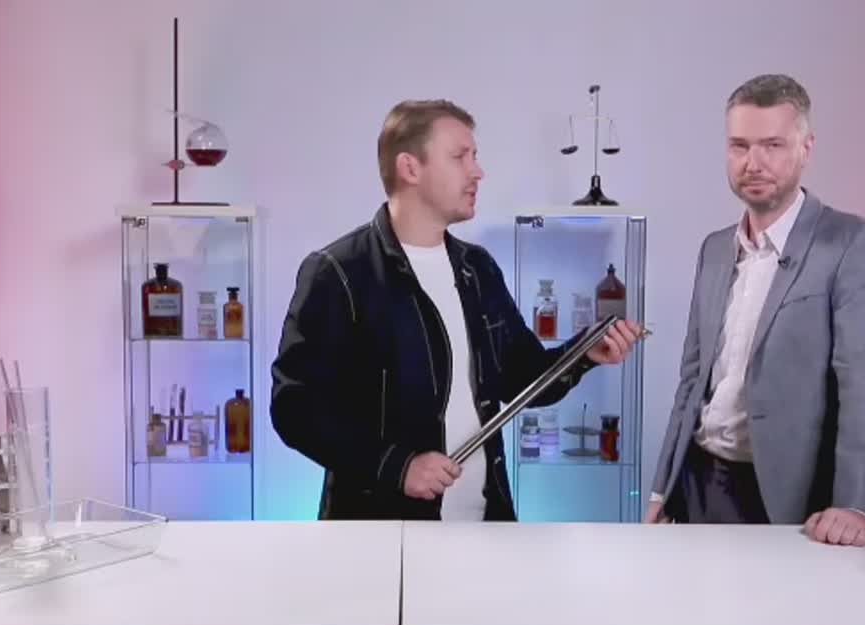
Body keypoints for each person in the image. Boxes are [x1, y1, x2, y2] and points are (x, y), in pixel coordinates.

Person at [271, 99, 643, 521]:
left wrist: (583, 353)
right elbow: (295, 408)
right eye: (459, 157)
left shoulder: (477, 268)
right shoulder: (338, 272)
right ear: (410, 168)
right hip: (382, 532)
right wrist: (397, 467)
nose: (477, 171)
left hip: (485, 524)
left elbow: (523, 377)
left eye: (475, 156)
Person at [645, 74, 865, 547]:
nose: (754, 163)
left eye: (772, 145)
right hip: (698, 483)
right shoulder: (714, 249)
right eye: (739, 146)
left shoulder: (851, 243)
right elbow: (693, 377)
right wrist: (662, 487)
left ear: (806, 149)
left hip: (788, 495)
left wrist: (859, 504)